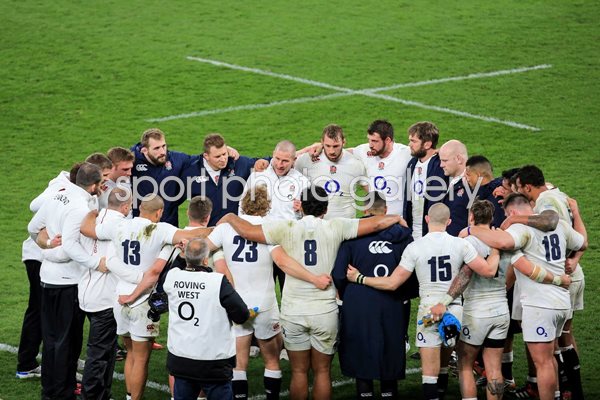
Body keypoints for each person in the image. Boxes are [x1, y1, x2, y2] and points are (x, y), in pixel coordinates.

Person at [219, 186, 407, 400]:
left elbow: (246, 231)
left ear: (302, 205)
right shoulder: (337, 226)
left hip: (293, 310)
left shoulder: (285, 227)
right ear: (325, 209)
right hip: (324, 310)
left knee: (299, 372)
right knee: (322, 371)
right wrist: (396, 218)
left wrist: (230, 217)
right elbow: (376, 222)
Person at [346, 203, 500, 400]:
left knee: (429, 374)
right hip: (454, 310)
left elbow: (393, 283)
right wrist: (495, 250)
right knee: (451, 363)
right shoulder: (461, 244)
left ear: (427, 219)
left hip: (429, 313)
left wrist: (360, 278)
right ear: (449, 222)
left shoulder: (415, 247)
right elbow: (488, 271)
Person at [80, 194, 213, 400]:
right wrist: (225, 224)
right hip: (142, 300)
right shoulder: (162, 230)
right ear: (159, 212)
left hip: (119, 298)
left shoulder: (119, 226)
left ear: (139, 208)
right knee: (141, 359)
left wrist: (92, 212)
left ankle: (128, 396)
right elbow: (198, 233)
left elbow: (87, 229)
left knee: (130, 354)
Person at [207, 186, 332, 400]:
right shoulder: (270, 228)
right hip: (264, 303)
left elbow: (202, 249)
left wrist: (219, 260)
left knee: (239, 360)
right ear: (268, 207)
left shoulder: (226, 227)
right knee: (272, 358)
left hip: (235, 302)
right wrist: (313, 278)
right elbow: (282, 262)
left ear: (243, 203)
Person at [466, 193, 587, 400]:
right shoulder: (561, 226)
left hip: (540, 305)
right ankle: (556, 395)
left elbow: (503, 243)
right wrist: (576, 213)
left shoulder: (520, 228)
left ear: (512, 212)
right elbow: (582, 243)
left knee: (543, 362)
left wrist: (471, 229)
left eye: (506, 215)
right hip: (561, 303)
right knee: (550, 357)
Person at [506, 165, 587, 399]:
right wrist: (574, 258)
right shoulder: (557, 194)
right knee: (562, 341)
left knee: (553, 348)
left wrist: (514, 219)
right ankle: (569, 391)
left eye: (519, 189)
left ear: (527, 187)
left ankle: (565, 391)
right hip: (565, 276)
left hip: (555, 283)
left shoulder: (546, 203)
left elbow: (551, 223)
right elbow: (577, 239)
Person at [28, 163, 107, 400]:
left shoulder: (58, 195)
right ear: (94, 185)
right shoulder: (79, 207)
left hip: (47, 279)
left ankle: (50, 391)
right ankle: (62, 393)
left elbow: (32, 228)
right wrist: (96, 263)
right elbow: (71, 248)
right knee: (67, 342)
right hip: (69, 283)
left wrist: (48, 246)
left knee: (51, 339)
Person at [331, 192, 415, 399]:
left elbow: (339, 274)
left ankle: (365, 393)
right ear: (385, 211)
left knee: (360, 349)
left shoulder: (353, 234)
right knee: (391, 348)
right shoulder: (404, 236)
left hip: (359, 302)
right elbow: (413, 276)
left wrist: (347, 292)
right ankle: (388, 392)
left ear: (365, 210)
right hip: (393, 301)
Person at [163, 238, 250, 400]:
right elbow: (242, 314)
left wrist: (183, 255)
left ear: (186, 258)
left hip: (181, 360)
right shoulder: (217, 281)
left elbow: (173, 269)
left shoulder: (172, 278)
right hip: (213, 362)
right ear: (205, 259)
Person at [242, 140, 310, 290]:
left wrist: (301, 212)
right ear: (273, 155)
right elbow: (242, 210)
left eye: (285, 161)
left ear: (294, 160)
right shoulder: (256, 178)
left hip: (289, 247)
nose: (280, 164)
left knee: (290, 291)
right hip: (261, 244)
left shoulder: (302, 182)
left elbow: (308, 220)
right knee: (262, 290)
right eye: (277, 159)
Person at [184, 133, 269, 226]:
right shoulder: (191, 172)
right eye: (217, 156)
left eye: (224, 154)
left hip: (234, 232)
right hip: (207, 233)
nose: (223, 159)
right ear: (206, 156)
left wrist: (264, 162)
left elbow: (270, 161)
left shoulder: (239, 164)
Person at [295, 124, 367, 219]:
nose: (331, 151)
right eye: (327, 146)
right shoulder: (308, 159)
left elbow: (370, 190)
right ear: (322, 142)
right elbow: (283, 165)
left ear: (344, 142)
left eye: (335, 146)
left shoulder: (355, 164)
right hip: (317, 226)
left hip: (346, 227)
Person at [131, 128, 198, 226]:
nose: (163, 152)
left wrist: (227, 151)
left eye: (164, 146)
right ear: (144, 150)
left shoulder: (176, 159)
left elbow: (202, 160)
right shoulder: (132, 161)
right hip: (141, 226)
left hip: (169, 226)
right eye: (157, 148)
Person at [353, 119, 412, 216]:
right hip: (373, 219)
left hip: (397, 219)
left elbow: (430, 153)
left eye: (375, 141)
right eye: (369, 140)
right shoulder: (364, 151)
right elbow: (342, 152)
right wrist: (321, 146)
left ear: (388, 140)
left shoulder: (405, 153)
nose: (370, 145)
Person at [404, 121, 448, 239]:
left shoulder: (441, 165)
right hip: (413, 231)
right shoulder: (412, 164)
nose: (409, 144)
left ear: (427, 144)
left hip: (433, 232)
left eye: (413, 141)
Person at [439, 140, 471, 236]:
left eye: (445, 160)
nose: (441, 165)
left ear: (459, 159)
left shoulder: (473, 184)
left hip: (461, 245)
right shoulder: (447, 179)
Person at [463, 155, 505, 227]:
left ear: (478, 175)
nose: (467, 179)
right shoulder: (483, 193)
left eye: (468, 175)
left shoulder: (496, 197)